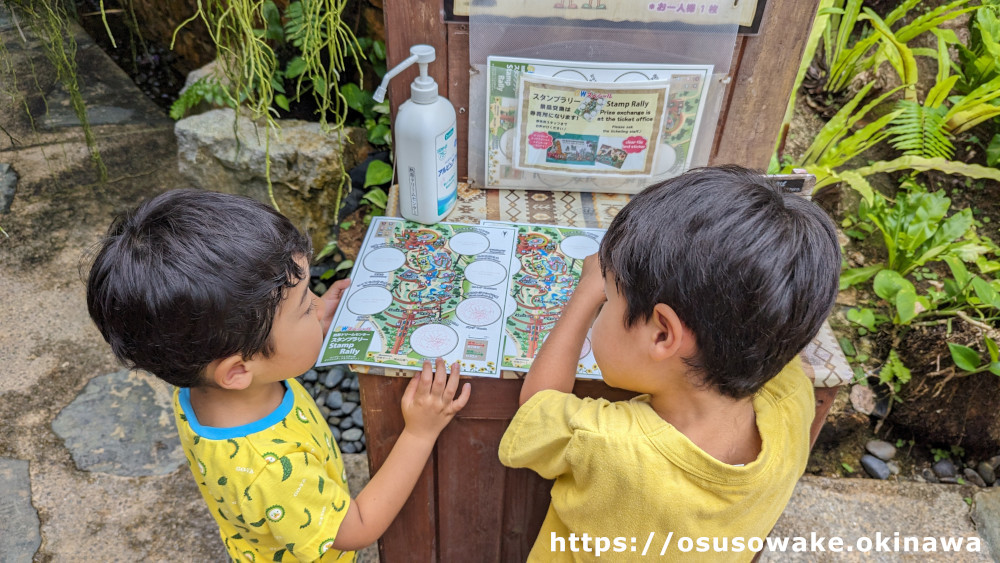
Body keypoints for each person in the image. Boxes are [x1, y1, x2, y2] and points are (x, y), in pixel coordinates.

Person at [87, 189, 470, 561]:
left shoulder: (197, 379)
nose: (318, 304)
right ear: (237, 371)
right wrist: (420, 432)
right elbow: (358, 527)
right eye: (306, 305)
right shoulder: (271, 469)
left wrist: (313, 321)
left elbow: (272, 355)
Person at [499, 166, 840, 561]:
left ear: (662, 334)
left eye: (609, 300)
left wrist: (584, 292)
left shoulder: (608, 445)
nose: (603, 304)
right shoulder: (793, 396)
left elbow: (536, 406)